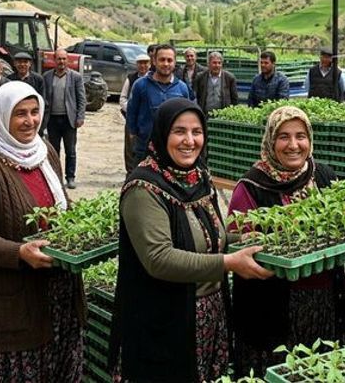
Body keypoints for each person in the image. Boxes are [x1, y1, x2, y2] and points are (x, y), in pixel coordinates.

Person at [110, 98, 271, 382]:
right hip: (165, 322)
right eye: (179, 131)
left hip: (208, 316)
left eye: (197, 132)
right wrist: (228, 262)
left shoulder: (198, 177)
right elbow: (159, 258)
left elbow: (207, 235)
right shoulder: (143, 188)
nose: (189, 141)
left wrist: (242, 238)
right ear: (162, 134)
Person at [0, 82, 85, 382]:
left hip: (60, 291)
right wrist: (19, 253)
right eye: (20, 114)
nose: (30, 121)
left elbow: (61, 202)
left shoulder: (44, 151)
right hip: (14, 299)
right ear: (2, 117)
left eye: (34, 112)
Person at [228, 106, 345, 376]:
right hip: (270, 309)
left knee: (320, 370)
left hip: (324, 301)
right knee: (276, 372)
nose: (293, 145)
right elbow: (234, 239)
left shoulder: (324, 176)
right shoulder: (251, 187)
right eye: (283, 136)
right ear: (270, 141)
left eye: (300, 136)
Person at [126, 44, 191, 163]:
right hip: (144, 149)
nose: (166, 64)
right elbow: (132, 112)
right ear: (154, 61)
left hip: (172, 150)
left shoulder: (182, 88)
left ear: (175, 62)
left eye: (169, 60)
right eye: (162, 60)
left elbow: (186, 118)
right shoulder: (140, 85)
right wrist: (133, 134)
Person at [42, 49, 86, 189]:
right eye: (59, 59)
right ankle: (55, 177)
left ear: (68, 60)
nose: (61, 61)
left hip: (69, 120)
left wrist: (80, 116)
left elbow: (81, 98)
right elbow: (44, 98)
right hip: (52, 120)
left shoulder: (75, 77)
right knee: (54, 151)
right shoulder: (47, 77)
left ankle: (70, 177)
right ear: (54, 60)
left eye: (64, 59)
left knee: (70, 151)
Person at [121, 54, 151, 174]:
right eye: (140, 63)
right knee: (130, 148)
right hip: (132, 118)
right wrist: (132, 110)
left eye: (145, 63)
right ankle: (130, 172)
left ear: (149, 64)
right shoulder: (131, 78)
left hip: (147, 120)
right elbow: (123, 98)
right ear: (136, 65)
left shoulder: (153, 79)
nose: (143, 66)